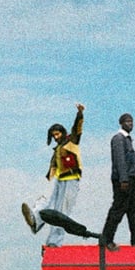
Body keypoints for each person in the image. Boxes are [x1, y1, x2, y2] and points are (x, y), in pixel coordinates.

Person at [21, 103, 85, 247]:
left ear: (63, 132)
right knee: (45, 200)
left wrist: (79, 113)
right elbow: (52, 169)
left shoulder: (72, 141)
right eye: (53, 135)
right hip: (58, 179)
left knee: (61, 212)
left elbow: (77, 128)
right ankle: (35, 219)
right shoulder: (56, 150)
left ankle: (54, 242)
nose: (56, 137)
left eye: (58, 134)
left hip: (71, 179)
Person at [100, 113, 135, 251]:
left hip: (131, 180)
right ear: (121, 123)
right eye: (127, 121)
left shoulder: (128, 139)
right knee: (118, 209)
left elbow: (131, 162)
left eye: (132, 121)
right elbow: (120, 160)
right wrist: (123, 179)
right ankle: (106, 240)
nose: (130, 124)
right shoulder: (119, 139)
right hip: (123, 180)